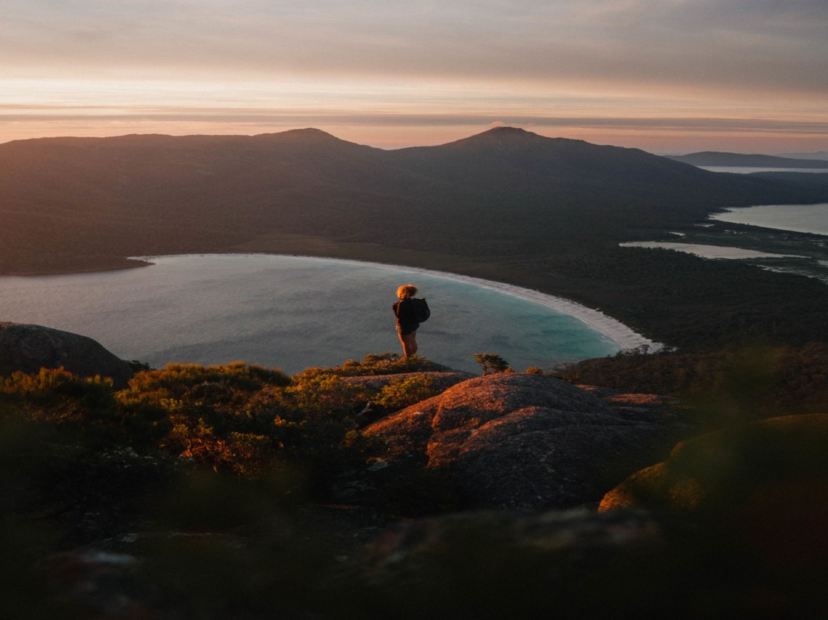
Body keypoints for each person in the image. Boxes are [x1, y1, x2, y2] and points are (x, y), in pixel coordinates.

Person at [392, 283, 423, 359]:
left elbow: (398, 316)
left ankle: (408, 359)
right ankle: (413, 356)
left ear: (402, 293)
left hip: (404, 326)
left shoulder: (398, 304)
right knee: (413, 341)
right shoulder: (415, 302)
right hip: (414, 325)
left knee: (405, 343)